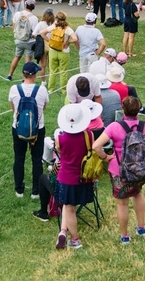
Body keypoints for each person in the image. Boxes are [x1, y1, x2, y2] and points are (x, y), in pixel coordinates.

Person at [92, 95, 145, 244]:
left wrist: (106, 157)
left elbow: (96, 146)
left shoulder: (115, 127)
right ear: (139, 109)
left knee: (122, 202)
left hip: (119, 170)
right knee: (138, 194)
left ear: (123, 109)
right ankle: (141, 228)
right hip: (141, 170)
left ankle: (125, 236)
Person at [54, 103, 97, 250]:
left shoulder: (61, 138)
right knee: (70, 207)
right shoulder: (89, 135)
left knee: (69, 208)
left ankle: (74, 239)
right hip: (84, 178)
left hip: (66, 178)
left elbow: (59, 151)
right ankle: (64, 233)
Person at [10, 62, 49, 198]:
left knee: (19, 158)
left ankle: (19, 190)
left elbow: (13, 108)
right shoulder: (42, 90)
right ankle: (36, 191)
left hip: (18, 128)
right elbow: (43, 107)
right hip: (38, 128)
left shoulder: (14, 89)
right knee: (37, 159)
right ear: (35, 75)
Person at [7, 0, 39, 79]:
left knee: (17, 57)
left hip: (18, 40)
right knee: (28, 60)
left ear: (25, 4)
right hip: (29, 41)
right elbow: (35, 33)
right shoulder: (34, 18)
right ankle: (26, 78)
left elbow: (14, 26)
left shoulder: (18, 14)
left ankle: (9, 75)